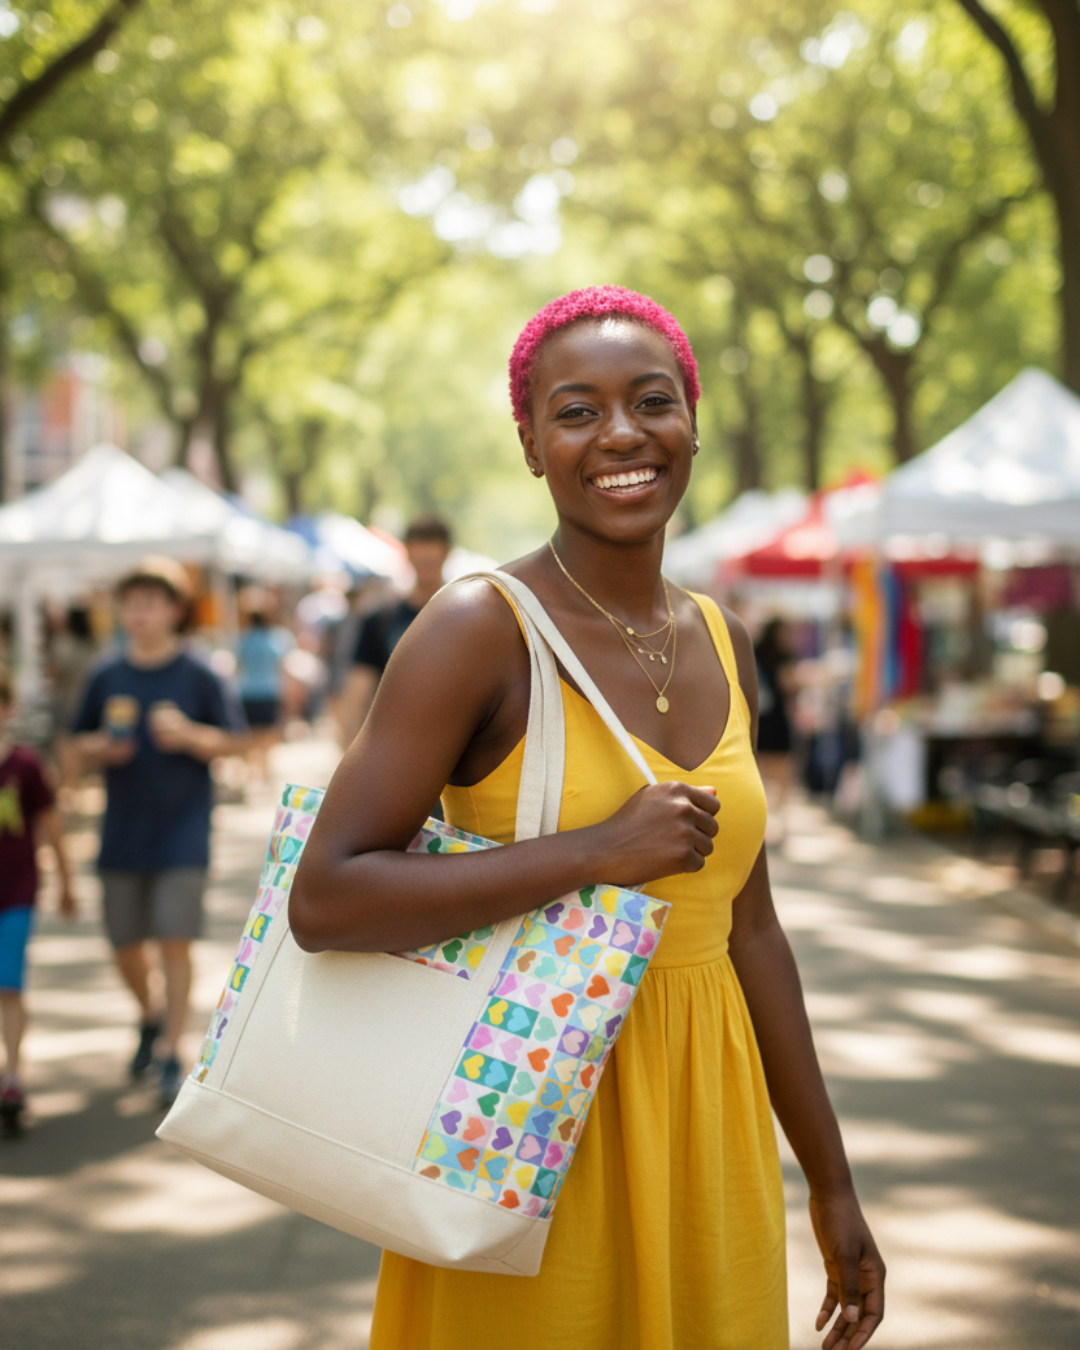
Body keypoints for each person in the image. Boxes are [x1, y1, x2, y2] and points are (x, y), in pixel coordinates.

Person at [290, 287, 884, 1350]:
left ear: (692, 423)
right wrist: (597, 854)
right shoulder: (478, 629)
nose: (620, 434)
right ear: (531, 445)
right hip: (524, 1118)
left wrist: (831, 1182)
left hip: (707, 1126)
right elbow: (326, 897)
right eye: (576, 412)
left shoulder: (726, 641)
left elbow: (752, 932)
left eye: (652, 402)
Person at [72, 558, 246, 1108]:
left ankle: (172, 1050)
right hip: (122, 831)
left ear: (174, 610)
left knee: (175, 938)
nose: (138, 614)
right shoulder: (106, 674)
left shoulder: (200, 673)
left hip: (183, 832)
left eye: (149, 603)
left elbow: (237, 741)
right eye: (130, 604)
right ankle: (148, 1017)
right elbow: (74, 745)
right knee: (124, 942)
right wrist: (102, 748)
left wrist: (192, 736)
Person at [0, 667, 76, 1136]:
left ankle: (12, 1075)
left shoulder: (25, 767)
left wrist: (67, 881)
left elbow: (51, 827)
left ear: (8, 709)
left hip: (15, 893)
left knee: (8, 984)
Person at [338, 515, 453, 744]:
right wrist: (352, 751)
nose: (425, 558)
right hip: (396, 747)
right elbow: (356, 695)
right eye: (419, 549)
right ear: (407, 553)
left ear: (446, 553)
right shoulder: (380, 621)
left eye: (432, 551)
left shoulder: (469, 617)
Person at [236, 609, 293, 782]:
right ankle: (265, 770)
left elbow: (239, 665)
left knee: (250, 733)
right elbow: (280, 665)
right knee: (269, 733)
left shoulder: (244, 640)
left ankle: (253, 770)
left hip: (247, 692)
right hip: (269, 691)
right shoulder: (273, 640)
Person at [755, 617, 799, 839]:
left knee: (759, 774)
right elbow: (788, 684)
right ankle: (780, 823)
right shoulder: (782, 656)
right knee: (782, 774)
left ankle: (760, 822)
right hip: (777, 720)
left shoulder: (754, 651)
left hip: (758, 720)